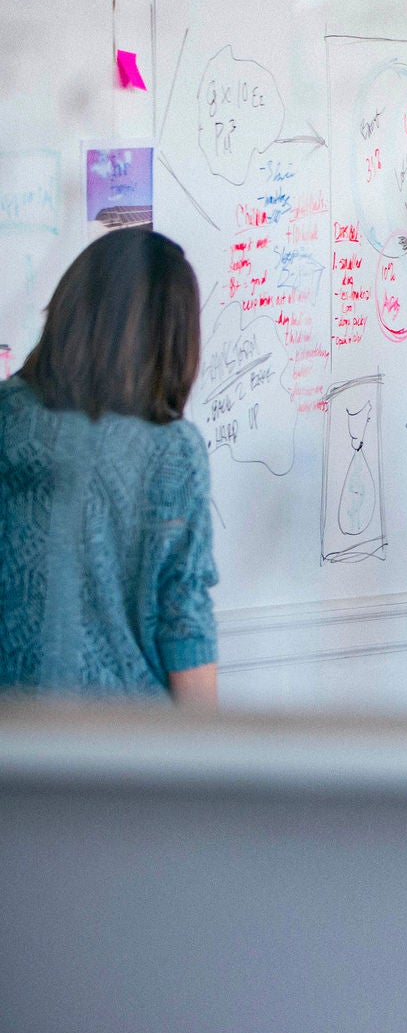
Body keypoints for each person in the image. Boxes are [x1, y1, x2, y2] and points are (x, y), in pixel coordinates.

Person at [0, 229, 217, 704]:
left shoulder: (5, 417)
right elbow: (183, 615)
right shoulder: (173, 449)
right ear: (172, 338)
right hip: (124, 739)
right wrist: (206, 756)